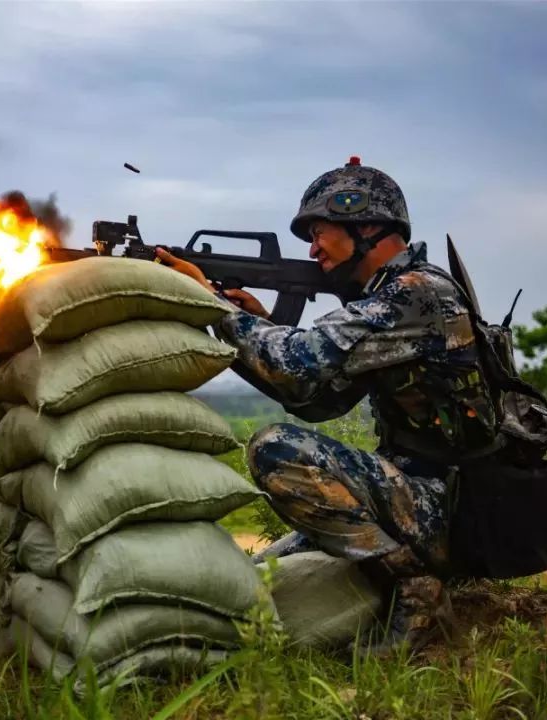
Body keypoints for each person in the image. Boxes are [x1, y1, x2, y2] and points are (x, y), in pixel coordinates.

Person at [157, 156, 509, 647]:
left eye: (320, 231)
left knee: (274, 450)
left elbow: (296, 363)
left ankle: (416, 588)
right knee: (264, 570)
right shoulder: (391, 298)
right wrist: (247, 322)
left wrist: (213, 305)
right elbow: (317, 400)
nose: (313, 247)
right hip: (420, 499)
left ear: (366, 226)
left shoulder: (415, 294)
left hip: (447, 507)